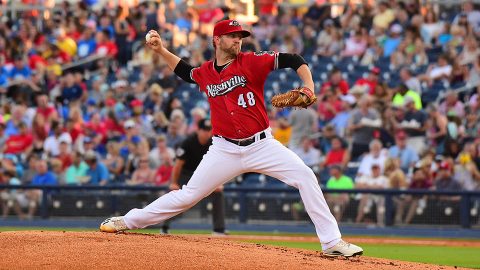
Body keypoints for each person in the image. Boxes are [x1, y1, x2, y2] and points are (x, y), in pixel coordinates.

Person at [100, 19, 363, 257]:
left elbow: (295, 59)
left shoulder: (251, 61)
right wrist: (160, 50)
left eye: (240, 36)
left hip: (262, 145)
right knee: (188, 195)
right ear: (217, 40)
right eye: (232, 36)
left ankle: (331, 243)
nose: (238, 40)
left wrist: (308, 87)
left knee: (305, 176)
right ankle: (127, 221)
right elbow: (186, 72)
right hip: (224, 149)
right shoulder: (206, 72)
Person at [161, 119, 227, 235]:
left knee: (218, 193)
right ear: (198, 130)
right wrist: (174, 182)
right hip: (186, 175)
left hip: (204, 175)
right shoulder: (188, 142)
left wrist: (218, 183)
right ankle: (165, 227)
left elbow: (218, 164)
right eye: (204, 130)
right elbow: (178, 165)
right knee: (176, 197)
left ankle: (218, 229)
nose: (207, 133)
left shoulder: (213, 143)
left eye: (209, 130)